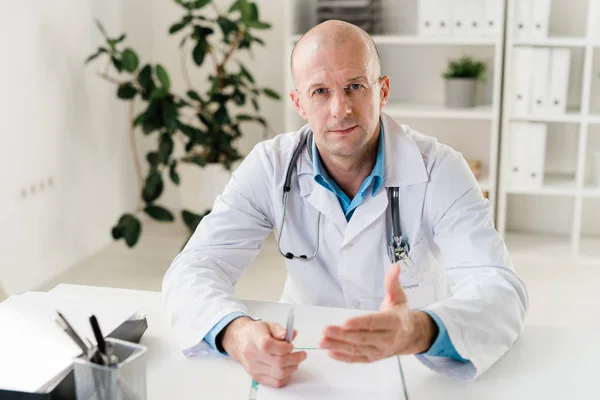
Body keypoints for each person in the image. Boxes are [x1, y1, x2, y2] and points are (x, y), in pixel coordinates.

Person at [163, 20, 528, 388]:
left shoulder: (440, 168)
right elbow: (193, 269)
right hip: (304, 357)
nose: (340, 109)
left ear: (382, 92)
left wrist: (419, 330)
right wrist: (236, 334)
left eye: (354, 86)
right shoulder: (270, 167)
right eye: (320, 91)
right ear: (298, 103)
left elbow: (499, 288)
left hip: (414, 359)